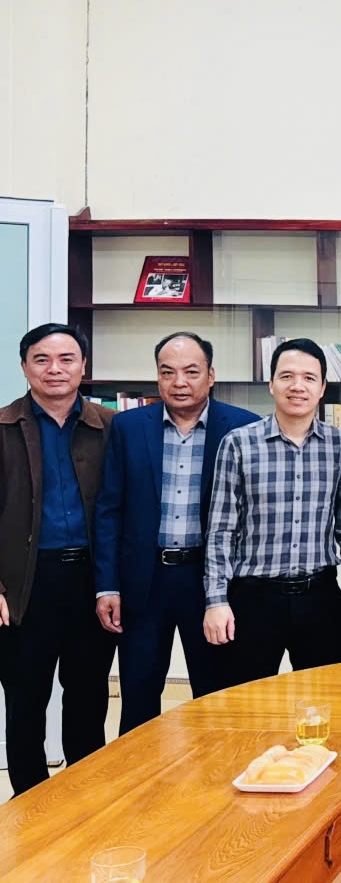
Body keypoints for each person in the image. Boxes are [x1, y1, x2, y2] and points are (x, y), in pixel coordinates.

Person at [93, 332, 257, 733]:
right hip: (144, 581)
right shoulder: (128, 427)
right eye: (168, 372)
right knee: (139, 694)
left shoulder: (243, 427)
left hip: (212, 581)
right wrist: (107, 585)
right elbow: (109, 509)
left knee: (217, 694)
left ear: (211, 375)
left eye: (191, 372)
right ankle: (139, 772)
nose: (179, 382)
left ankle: (214, 770)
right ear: (157, 376)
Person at [0, 323, 116, 795]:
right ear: (24, 366)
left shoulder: (111, 427)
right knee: (25, 700)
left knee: (88, 697)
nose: (55, 369)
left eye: (66, 359)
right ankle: (30, 804)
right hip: (25, 585)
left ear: (83, 366)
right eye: (42, 359)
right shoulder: (3, 427)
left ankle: (83, 801)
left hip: (92, 581)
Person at [202, 338, 341, 687]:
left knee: (321, 703)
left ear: (322, 388)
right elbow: (221, 530)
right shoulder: (238, 444)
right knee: (246, 704)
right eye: (287, 376)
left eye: (309, 378)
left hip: (319, 597)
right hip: (253, 599)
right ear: (271, 384)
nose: (297, 386)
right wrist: (216, 601)